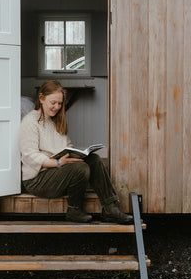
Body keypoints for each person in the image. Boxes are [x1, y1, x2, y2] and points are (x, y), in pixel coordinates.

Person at [19, 80, 133, 224]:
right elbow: (30, 156)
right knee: (80, 168)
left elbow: (67, 146)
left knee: (94, 160)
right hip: (37, 180)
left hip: (55, 172)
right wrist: (58, 162)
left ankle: (110, 208)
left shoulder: (56, 121)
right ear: (41, 99)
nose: (57, 107)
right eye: (53, 103)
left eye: (60, 104)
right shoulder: (30, 122)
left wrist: (77, 155)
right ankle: (74, 210)